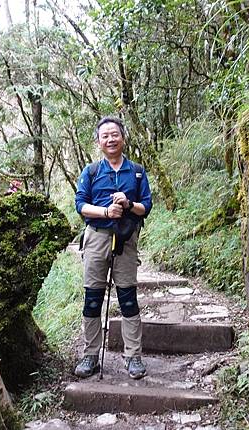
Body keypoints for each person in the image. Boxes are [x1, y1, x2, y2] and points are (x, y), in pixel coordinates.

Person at [74, 116, 152, 379]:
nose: (110, 139)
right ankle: (91, 355)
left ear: (123, 138)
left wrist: (128, 204)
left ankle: (134, 357)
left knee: (128, 299)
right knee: (92, 299)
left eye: (114, 134)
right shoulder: (92, 171)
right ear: (99, 142)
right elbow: (81, 205)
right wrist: (107, 211)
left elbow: (146, 207)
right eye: (105, 136)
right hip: (97, 237)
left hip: (127, 240)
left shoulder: (137, 172)